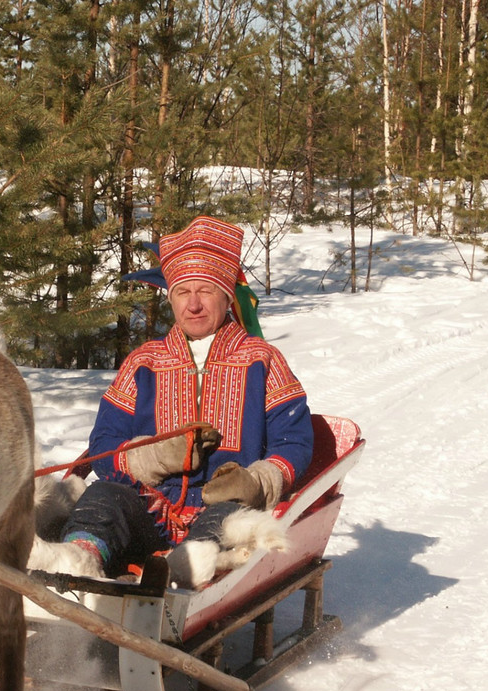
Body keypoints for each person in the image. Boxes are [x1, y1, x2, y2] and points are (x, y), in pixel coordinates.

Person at [30, 216, 315, 588]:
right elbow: (104, 445)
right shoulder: (143, 362)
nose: (193, 305)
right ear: (171, 298)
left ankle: (188, 566)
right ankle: (79, 560)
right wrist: (153, 457)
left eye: (205, 291)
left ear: (226, 294)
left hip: (225, 511)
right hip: (148, 508)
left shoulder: (262, 359)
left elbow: (294, 442)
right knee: (103, 495)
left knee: (228, 518)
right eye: (183, 292)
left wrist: (255, 482)